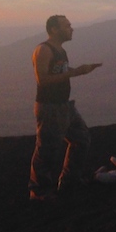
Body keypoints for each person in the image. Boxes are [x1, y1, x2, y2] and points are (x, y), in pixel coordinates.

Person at [28, 15, 102, 201]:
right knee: (47, 149)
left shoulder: (60, 51)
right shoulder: (44, 50)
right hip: (50, 107)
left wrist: (81, 70)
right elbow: (42, 80)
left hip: (64, 106)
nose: (71, 29)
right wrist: (76, 72)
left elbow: (60, 72)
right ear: (54, 29)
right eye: (67, 26)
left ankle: (70, 181)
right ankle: (38, 191)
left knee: (81, 139)